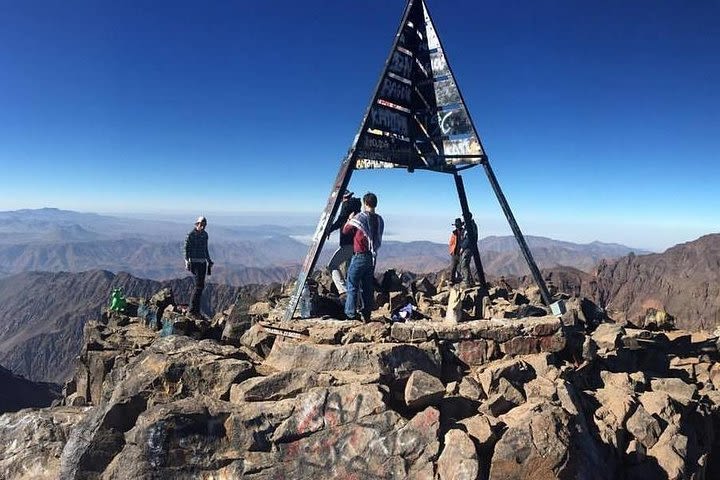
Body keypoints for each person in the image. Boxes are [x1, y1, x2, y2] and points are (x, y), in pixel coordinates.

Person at [342, 192, 384, 321]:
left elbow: (346, 230)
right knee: (367, 287)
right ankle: (367, 314)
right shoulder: (379, 219)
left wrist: (349, 219)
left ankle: (350, 314)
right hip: (372, 257)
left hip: (360, 255)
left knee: (352, 284)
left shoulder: (361, 217)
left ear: (365, 203)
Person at [327, 190, 362, 294]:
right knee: (351, 273)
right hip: (357, 245)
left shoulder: (346, 205)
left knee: (332, 266)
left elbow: (340, 220)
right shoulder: (357, 208)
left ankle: (344, 292)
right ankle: (355, 299)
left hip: (348, 244)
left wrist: (329, 229)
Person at [184, 216, 213, 318]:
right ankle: (192, 310)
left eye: (204, 225)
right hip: (194, 263)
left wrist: (209, 260)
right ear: (197, 224)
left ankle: (196, 310)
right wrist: (187, 261)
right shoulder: (191, 235)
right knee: (198, 286)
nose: (203, 226)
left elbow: (206, 249)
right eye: (201, 224)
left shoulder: (205, 235)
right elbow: (186, 248)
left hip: (202, 262)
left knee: (200, 286)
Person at [460, 213, 478, 286]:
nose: (463, 219)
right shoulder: (472, 225)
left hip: (468, 247)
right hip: (470, 247)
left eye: (464, 217)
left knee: (464, 264)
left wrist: (463, 247)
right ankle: (470, 280)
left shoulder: (469, 226)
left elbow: (468, 238)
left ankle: (466, 282)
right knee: (466, 264)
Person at [448, 218, 464, 284]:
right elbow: (451, 242)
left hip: (461, 252)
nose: (457, 226)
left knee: (461, 268)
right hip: (455, 252)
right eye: (456, 225)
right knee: (453, 267)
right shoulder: (454, 233)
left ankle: (460, 280)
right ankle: (452, 280)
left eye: (458, 225)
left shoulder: (464, 232)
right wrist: (451, 251)